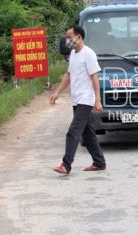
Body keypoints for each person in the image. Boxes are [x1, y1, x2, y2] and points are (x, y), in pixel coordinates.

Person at [50, 25, 107, 175]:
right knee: (87, 133)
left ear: (79, 37)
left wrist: (97, 100)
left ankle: (66, 165)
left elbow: (95, 78)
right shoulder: (73, 54)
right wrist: (57, 92)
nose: (67, 40)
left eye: (69, 37)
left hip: (86, 99)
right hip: (76, 99)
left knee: (73, 131)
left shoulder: (89, 54)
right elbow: (69, 75)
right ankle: (99, 162)